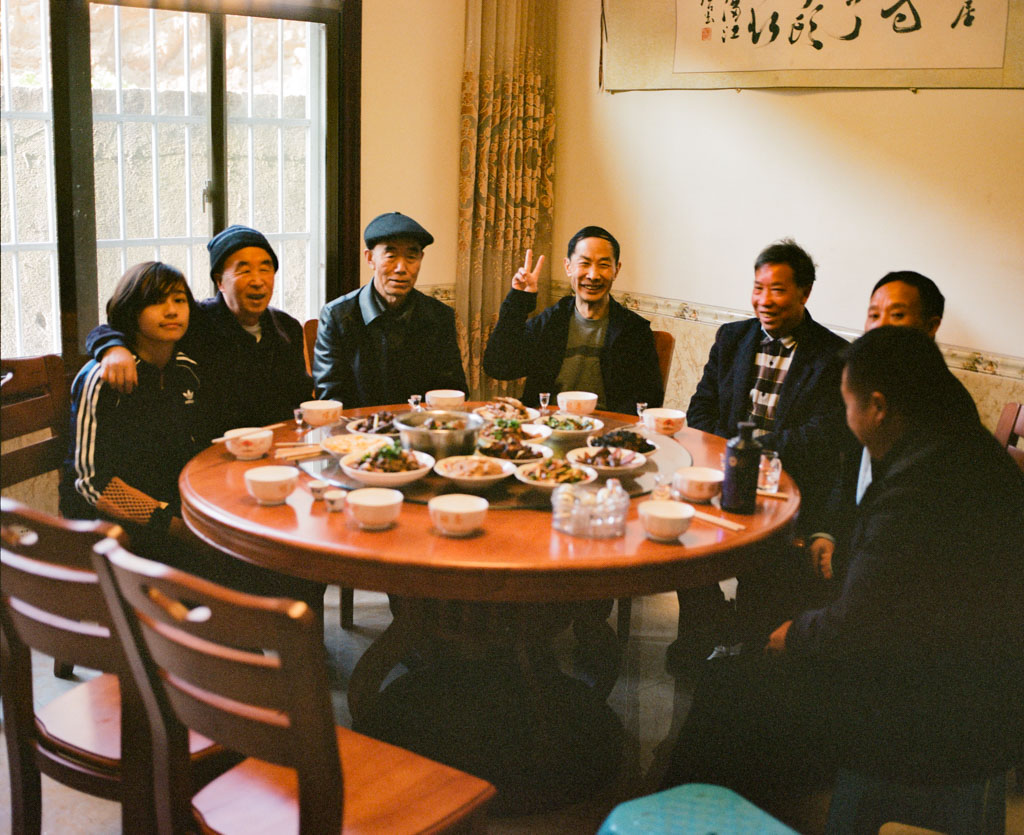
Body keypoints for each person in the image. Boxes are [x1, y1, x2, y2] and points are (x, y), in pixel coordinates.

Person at [662, 327, 1024, 818]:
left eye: (846, 404)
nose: (845, 419)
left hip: (936, 714)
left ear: (877, 406)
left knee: (729, 685)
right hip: (974, 684)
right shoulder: (960, 446)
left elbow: (861, 622)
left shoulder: (918, 488)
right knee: (755, 670)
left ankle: (691, 819)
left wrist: (795, 635)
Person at [667, 239, 854, 670]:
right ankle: (704, 627)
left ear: (805, 293)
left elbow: (821, 436)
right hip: (720, 477)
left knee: (765, 570)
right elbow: (700, 410)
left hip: (788, 489)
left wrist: (748, 451)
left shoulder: (833, 356)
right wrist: (731, 454)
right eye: (758, 288)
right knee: (680, 544)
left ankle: (747, 644)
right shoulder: (732, 337)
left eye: (778, 289)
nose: (764, 300)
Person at [807, 270, 978, 585]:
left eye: (897, 315)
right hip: (860, 545)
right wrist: (827, 531)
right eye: (874, 315)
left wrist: (847, 561)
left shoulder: (946, 406)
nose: (880, 326)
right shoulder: (869, 387)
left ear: (931, 326)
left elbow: (911, 525)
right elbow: (846, 468)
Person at [85, 225, 312, 438]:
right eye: (244, 271)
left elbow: (300, 398)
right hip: (216, 452)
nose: (258, 280)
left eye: (265, 269)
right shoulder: (195, 320)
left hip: (281, 447)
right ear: (219, 282)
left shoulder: (286, 327)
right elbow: (114, 325)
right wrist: (112, 348)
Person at [61, 262, 207, 558]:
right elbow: (90, 482)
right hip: (109, 522)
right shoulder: (102, 379)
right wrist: (174, 525)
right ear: (131, 311)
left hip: (169, 508)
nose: (171, 311)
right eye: (156, 301)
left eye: (179, 300)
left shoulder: (186, 370)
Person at [482, 226, 664, 414]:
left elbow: (650, 398)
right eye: (584, 263)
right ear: (568, 267)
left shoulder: (634, 330)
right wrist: (519, 299)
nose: (593, 275)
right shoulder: (551, 322)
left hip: (608, 427)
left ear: (616, 270)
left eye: (603, 265)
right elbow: (498, 367)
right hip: (548, 425)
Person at [313, 211, 467, 407]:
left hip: (420, 423)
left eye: (411, 256)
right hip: (358, 425)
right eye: (391, 256)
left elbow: (452, 389)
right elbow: (330, 396)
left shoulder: (438, 315)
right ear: (370, 258)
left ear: (421, 259)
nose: (401, 268)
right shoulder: (337, 315)